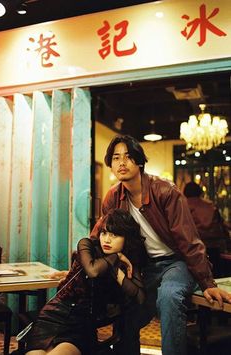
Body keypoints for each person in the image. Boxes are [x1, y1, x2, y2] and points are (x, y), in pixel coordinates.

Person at [90, 134, 231, 355]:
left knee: (170, 296)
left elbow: (189, 240)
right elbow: (99, 235)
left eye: (128, 157)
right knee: (128, 311)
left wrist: (207, 282)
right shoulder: (113, 197)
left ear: (139, 161)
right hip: (146, 266)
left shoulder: (165, 191)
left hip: (177, 261)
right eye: (116, 158)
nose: (121, 163)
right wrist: (80, 264)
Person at [24, 209, 146, 355]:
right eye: (104, 233)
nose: (107, 240)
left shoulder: (130, 264)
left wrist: (119, 274)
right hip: (54, 315)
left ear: (127, 237)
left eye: (114, 235)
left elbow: (140, 297)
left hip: (81, 324)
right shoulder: (86, 245)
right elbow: (93, 271)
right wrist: (116, 257)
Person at [183, 181, 230, 251]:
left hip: (194, 246)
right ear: (199, 192)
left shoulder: (184, 206)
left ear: (185, 193)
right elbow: (221, 224)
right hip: (214, 245)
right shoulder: (210, 205)